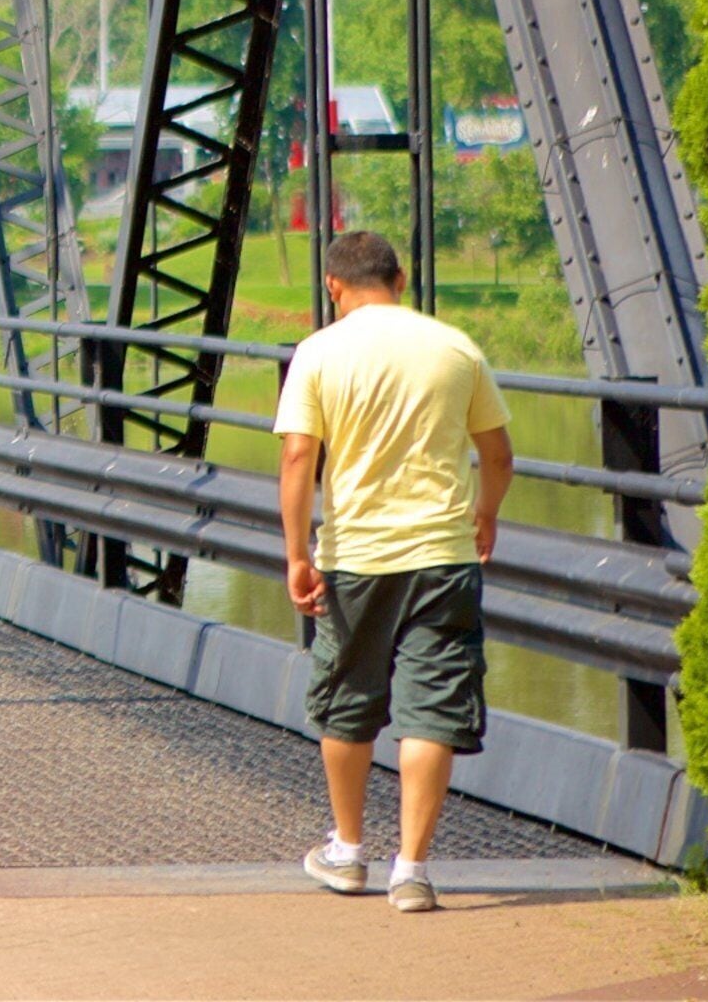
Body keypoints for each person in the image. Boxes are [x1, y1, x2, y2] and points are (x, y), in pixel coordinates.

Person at [275, 229, 516, 915]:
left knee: (347, 699)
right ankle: (411, 870)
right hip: (443, 554)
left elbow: (298, 459)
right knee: (433, 706)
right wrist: (486, 513)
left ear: (333, 286)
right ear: (401, 280)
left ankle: (349, 853)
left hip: (356, 556)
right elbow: (497, 455)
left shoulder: (318, 353)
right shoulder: (454, 347)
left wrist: (297, 553)